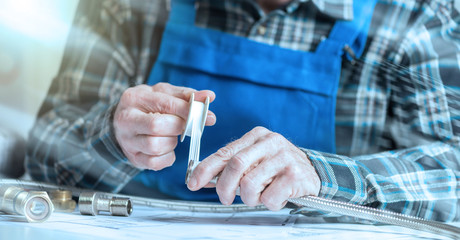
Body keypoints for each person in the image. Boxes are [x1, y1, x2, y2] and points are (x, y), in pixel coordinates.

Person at [26, 0, 460, 222]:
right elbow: (40, 157)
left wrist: (324, 176)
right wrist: (111, 136)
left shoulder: (419, 17)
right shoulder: (130, 6)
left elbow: (454, 175)